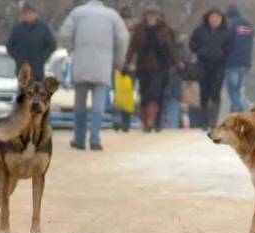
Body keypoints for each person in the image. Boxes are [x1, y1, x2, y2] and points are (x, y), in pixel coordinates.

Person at [59, 0, 129, 150]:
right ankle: (95, 139)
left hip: (81, 63)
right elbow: (123, 39)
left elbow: (64, 34)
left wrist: (72, 49)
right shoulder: (112, 16)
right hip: (103, 65)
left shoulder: (77, 13)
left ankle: (79, 139)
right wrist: (118, 60)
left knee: (80, 104)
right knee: (98, 105)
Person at [122, 5, 180, 133]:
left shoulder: (164, 30)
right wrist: (126, 63)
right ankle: (146, 121)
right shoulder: (140, 29)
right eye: (149, 14)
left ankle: (151, 121)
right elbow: (132, 47)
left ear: (158, 16)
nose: (151, 17)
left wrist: (177, 63)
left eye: (154, 14)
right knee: (144, 94)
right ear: (145, 16)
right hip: (143, 67)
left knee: (155, 94)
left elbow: (171, 49)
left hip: (160, 67)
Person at [189, 7, 232, 131]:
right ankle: (204, 121)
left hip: (218, 67)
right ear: (208, 18)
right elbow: (192, 44)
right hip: (203, 65)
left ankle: (214, 121)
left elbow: (231, 47)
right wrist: (200, 50)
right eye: (212, 17)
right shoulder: (200, 30)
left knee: (215, 93)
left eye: (217, 17)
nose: (214, 20)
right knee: (204, 94)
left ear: (221, 19)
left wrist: (222, 53)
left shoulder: (226, 32)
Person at [6, 3, 56, 81]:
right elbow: (9, 45)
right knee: (23, 92)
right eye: (26, 13)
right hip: (22, 69)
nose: (28, 16)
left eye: (31, 13)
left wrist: (42, 57)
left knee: (36, 92)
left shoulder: (43, 28)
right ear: (23, 15)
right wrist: (18, 57)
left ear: (35, 14)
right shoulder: (18, 28)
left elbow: (52, 45)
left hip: (37, 70)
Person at [112, 4, 138, 133]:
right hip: (118, 66)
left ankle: (125, 122)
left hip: (131, 66)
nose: (126, 22)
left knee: (127, 94)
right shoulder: (116, 31)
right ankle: (117, 120)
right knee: (118, 94)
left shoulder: (136, 31)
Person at [225, 4, 255, 113]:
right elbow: (250, 43)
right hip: (246, 62)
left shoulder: (230, 24)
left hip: (232, 63)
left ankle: (240, 109)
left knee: (232, 90)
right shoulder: (248, 25)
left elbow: (226, 43)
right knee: (238, 89)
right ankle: (234, 113)